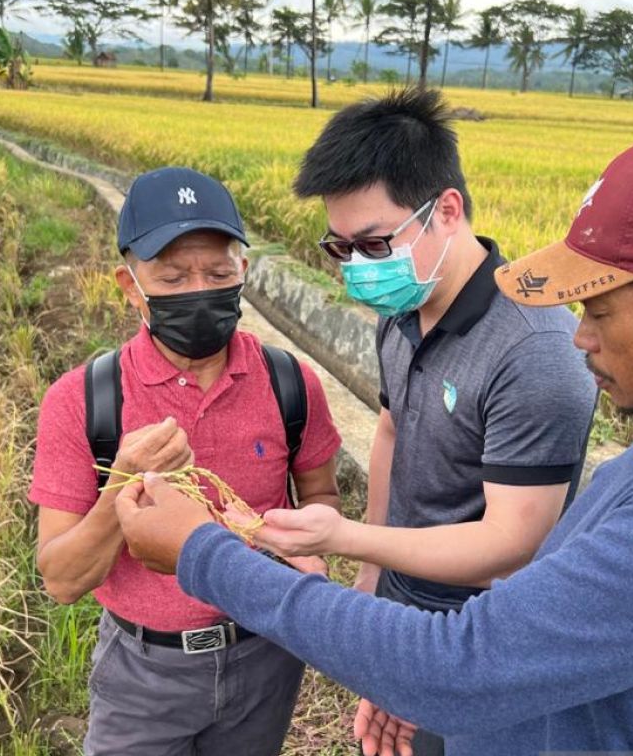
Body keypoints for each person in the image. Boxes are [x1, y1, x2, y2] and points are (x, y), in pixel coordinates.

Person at [113, 128, 633, 756]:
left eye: (598, 311)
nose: (580, 337)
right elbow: (518, 644)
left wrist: (203, 554)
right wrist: (433, 687)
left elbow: (459, 658)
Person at [241, 88, 597, 755]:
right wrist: (376, 593)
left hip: (481, 637)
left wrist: (347, 539)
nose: (358, 270)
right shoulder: (403, 312)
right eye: (340, 249)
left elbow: (511, 544)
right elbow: (392, 430)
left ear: (447, 212)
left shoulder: (534, 351)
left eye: (374, 243)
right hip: (406, 605)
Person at [28, 166, 343, 756]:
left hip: (264, 657)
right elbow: (62, 579)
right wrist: (121, 484)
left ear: (243, 271)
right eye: (172, 277)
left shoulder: (290, 384)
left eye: (219, 272)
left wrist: (302, 548)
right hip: (142, 673)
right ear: (130, 285)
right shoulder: (84, 400)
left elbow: (320, 496)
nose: (199, 290)